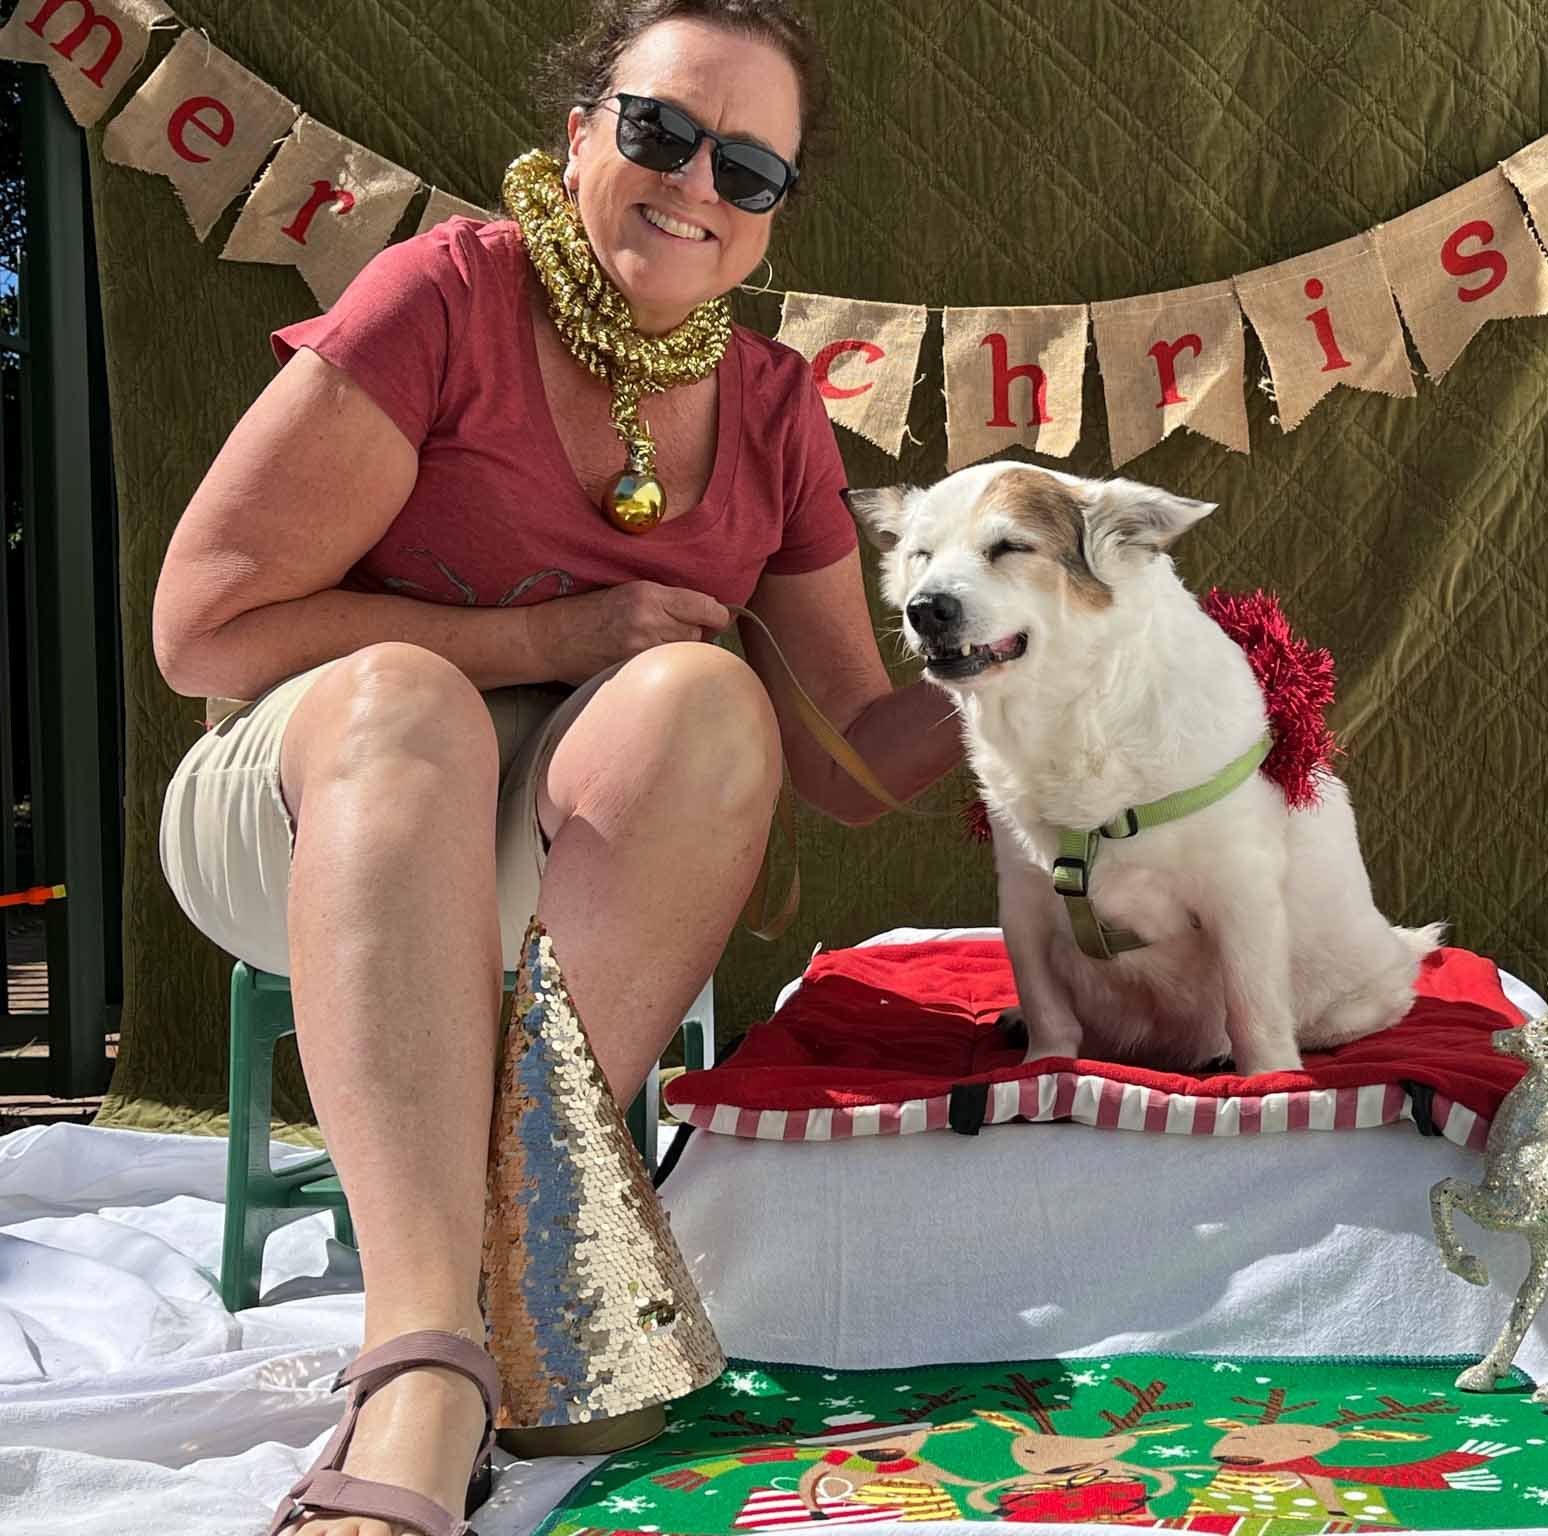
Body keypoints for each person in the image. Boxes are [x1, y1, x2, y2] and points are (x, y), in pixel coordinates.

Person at [150, 4, 960, 1532]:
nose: (695, 184)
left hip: (559, 859)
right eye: (659, 132)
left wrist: (1044, 668)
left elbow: (845, 763)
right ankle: (425, 1364)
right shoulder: (446, 299)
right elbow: (205, 631)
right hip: (307, 806)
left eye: (749, 168)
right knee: (410, 700)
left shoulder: (774, 408)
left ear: (775, 212)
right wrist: (562, 631)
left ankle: (532, 1243)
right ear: (583, 130)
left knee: (708, 705)